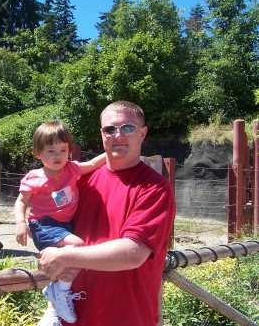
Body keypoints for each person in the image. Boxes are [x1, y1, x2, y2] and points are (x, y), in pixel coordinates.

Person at [38, 101, 176, 326]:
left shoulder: (154, 188)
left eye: (127, 128)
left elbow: (133, 253)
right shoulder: (81, 181)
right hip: (72, 316)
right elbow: (53, 224)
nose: (118, 135)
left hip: (126, 318)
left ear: (142, 133)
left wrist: (64, 257)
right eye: (110, 129)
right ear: (102, 134)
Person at [13, 121, 106, 326]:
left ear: (69, 151)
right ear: (38, 153)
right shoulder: (34, 178)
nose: (58, 156)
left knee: (71, 259)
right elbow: (21, 201)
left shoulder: (71, 169)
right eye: (51, 151)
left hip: (65, 225)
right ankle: (60, 292)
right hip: (43, 225)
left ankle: (55, 299)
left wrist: (109, 152)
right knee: (79, 246)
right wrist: (20, 223)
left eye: (63, 150)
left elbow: (91, 165)